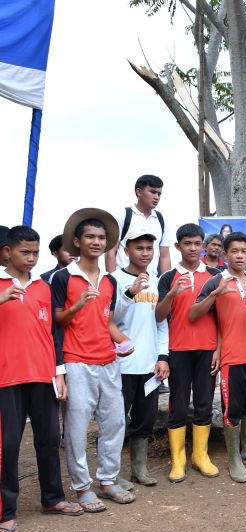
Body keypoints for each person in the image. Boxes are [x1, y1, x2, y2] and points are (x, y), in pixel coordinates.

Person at [0, 226, 83, 532]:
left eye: (35, 252)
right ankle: (5, 512)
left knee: (49, 438)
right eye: (25, 252)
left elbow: (52, 335)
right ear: (8, 250)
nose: (31, 258)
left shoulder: (43, 287)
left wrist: (58, 373)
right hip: (6, 377)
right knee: (7, 445)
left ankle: (52, 498)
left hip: (42, 374)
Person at [52, 208, 136, 511]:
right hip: (75, 362)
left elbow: (107, 320)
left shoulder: (110, 281)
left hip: (108, 361)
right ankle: (82, 487)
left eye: (101, 237)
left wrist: (123, 340)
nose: (96, 242)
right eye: (90, 236)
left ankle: (108, 480)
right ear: (77, 241)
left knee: (115, 423)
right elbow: (57, 321)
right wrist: (77, 305)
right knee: (76, 427)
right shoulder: (63, 278)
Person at [190, 231, 246, 483]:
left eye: (243, 251)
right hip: (231, 357)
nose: (239, 256)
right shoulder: (216, 282)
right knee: (231, 409)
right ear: (225, 254)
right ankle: (234, 457)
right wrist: (215, 295)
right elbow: (193, 314)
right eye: (234, 251)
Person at [156, 223, 221, 482]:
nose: (192, 248)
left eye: (197, 243)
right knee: (178, 404)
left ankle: (200, 455)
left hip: (207, 350)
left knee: (204, 402)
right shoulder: (167, 277)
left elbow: (222, 317)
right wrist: (171, 294)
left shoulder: (216, 275)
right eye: (187, 243)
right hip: (178, 349)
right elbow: (159, 317)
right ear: (177, 246)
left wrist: (219, 347)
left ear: (203, 246)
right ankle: (178, 457)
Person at [111, 229, 170, 487]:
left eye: (149, 248)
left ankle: (139, 469)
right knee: (115, 421)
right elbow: (107, 320)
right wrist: (130, 292)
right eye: (139, 248)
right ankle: (111, 474)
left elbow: (160, 324)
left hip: (149, 365)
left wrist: (162, 357)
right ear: (126, 250)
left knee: (145, 420)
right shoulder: (113, 280)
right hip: (120, 365)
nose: (145, 253)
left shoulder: (156, 281)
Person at [106, 175, 173, 276]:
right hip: (124, 280)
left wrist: (165, 284)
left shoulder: (161, 220)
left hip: (151, 282)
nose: (156, 197)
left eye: (159, 194)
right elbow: (110, 252)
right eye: (152, 192)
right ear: (139, 192)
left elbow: (165, 256)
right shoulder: (122, 215)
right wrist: (113, 281)